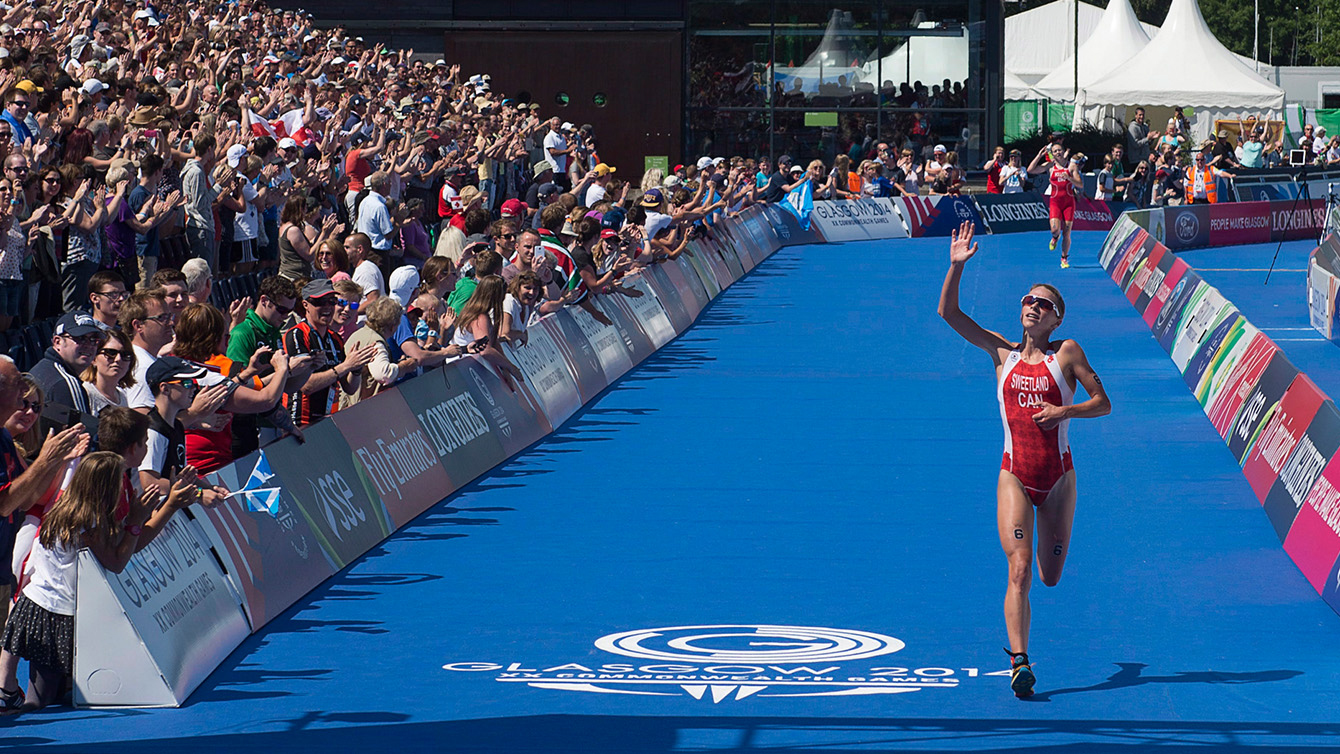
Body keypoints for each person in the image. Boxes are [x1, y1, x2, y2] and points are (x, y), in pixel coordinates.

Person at [936, 220, 1110, 699]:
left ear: (1057, 320)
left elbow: (1104, 403)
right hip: (1013, 474)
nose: (1032, 307)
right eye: (1027, 301)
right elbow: (949, 313)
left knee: (1049, 576)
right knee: (1019, 569)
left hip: (1057, 480)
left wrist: (1064, 410)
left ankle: (1025, 641)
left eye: (1044, 305)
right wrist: (955, 268)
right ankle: (1020, 661)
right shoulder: (1002, 352)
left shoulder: (1067, 353)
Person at [0, 451, 193, 714]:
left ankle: (9, 696)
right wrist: (137, 520)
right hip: (53, 615)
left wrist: (168, 506)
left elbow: (128, 546)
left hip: (41, 607)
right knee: (42, 701)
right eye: (118, 482)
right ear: (105, 487)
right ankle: (11, 708)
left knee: (57, 693)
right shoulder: (87, 523)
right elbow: (117, 561)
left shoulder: (72, 508)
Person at [282, 279, 377, 428]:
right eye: (320, 302)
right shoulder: (297, 334)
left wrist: (356, 368)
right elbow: (306, 385)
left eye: (331, 301)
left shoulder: (335, 339)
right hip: (299, 422)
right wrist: (345, 366)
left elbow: (350, 388)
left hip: (325, 420)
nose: (327, 307)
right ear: (306, 305)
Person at [30, 312, 106, 414]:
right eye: (81, 338)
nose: (88, 345)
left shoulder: (43, 368)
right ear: (57, 342)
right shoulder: (65, 383)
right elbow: (82, 428)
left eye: (93, 340)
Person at [1028, 145, 1083, 269]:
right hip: (1055, 202)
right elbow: (1030, 170)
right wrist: (1039, 155)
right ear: (1052, 153)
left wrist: (1069, 178)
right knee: (1055, 230)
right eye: (1055, 151)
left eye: (1060, 150)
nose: (1058, 153)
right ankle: (1054, 237)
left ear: (1064, 152)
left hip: (1068, 203)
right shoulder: (1050, 166)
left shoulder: (1071, 166)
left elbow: (1080, 184)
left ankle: (1064, 258)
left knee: (1067, 232)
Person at [81, 329, 136, 415]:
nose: (118, 359)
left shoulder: (122, 397)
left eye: (125, 354)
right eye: (110, 352)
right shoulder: (85, 393)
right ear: (94, 358)